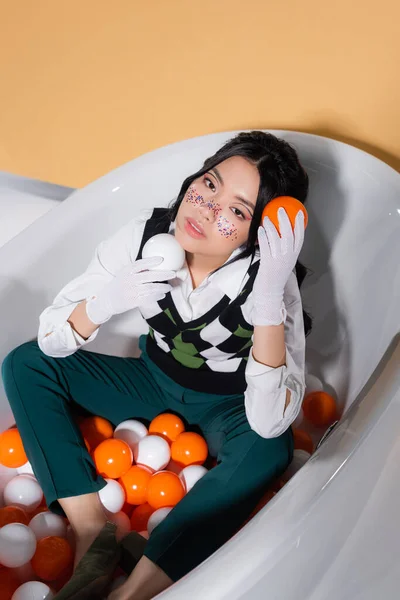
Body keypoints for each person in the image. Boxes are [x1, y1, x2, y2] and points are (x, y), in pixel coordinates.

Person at [1, 130, 311, 600]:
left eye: (236, 209)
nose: (207, 207)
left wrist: (268, 299)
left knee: (271, 448)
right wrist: (105, 302)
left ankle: (135, 591)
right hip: (150, 381)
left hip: (227, 408)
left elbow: (269, 420)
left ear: (259, 233)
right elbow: (51, 337)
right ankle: (91, 532)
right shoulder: (144, 235)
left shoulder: (269, 282)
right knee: (26, 364)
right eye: (209, 184)